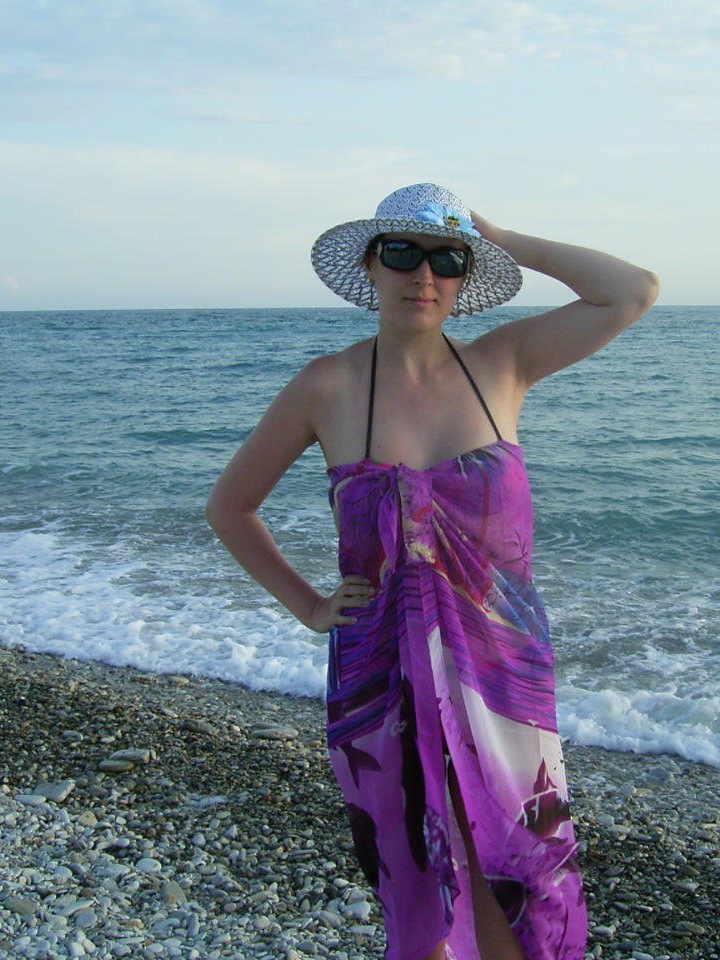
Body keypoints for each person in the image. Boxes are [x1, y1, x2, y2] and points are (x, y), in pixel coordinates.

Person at [206, 183, 659, 960]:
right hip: (381, 676)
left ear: (464, 277)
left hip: (502, 674)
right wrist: (310, 606)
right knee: (418, 889)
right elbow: (230, 507)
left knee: (523, 878)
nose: (424, 275)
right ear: (370, 266)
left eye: (448, 260)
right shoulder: (327, 386)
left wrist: (507, 240)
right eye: (403, 254)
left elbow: (633, 290)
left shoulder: (503, 364)